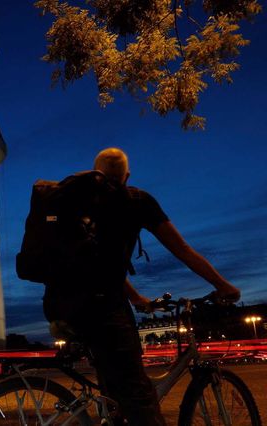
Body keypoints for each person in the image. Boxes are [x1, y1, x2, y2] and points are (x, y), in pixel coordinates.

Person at [42, 147, 240, 426]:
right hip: (103, 308)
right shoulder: (136, 201)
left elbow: (100, 264)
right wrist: (222, 284)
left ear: (95, 171)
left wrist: (135, 297)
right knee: (140, 397)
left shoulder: (77, 202)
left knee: (115, 395)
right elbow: (182, 249)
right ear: (127, 175)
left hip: (61, 303)